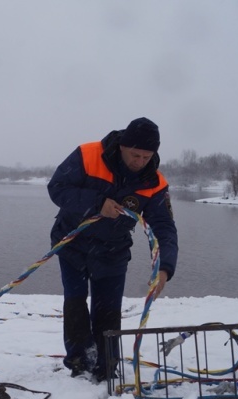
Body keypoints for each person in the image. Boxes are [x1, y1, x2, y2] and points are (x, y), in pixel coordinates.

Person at [47, 117, 178, 382]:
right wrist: (97, 204)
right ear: (122, 146)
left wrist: (164, 268)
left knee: (108, 310)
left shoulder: (155, 182)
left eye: (146, 156)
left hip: (113, 251)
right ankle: (79, 363)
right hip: (72, 244)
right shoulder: (88, 154)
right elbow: (57, 188)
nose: (140, 161)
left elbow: (164, 227)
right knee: (75, 303)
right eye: (135, 154)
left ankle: (106, 366)